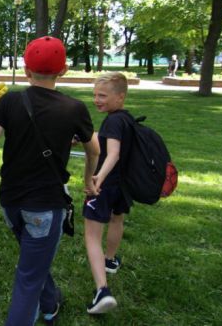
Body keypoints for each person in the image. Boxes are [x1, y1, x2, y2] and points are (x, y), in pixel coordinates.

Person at [0, 36, 100, 326]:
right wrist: (89, 180)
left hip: (10, 203)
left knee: (32, 260)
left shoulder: (11, 100)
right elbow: (95, 150)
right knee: (29, 277)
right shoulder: (74, 108)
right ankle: (41, 305)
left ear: (26, 71)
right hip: (45, 207)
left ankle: (50, 303)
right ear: (63, 70)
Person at [82, 72, 133, 314]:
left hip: (104, 185)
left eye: (102, 95)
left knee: (92, 235)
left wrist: (97, 179)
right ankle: (110, 259)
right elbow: (114, 145)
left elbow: (112, 153)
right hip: (123, 186)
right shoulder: (126, 119)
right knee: (117, 219)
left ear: (120, 97)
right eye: (94, 95)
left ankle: (102, 290)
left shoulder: (111, 121)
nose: (97, 100)